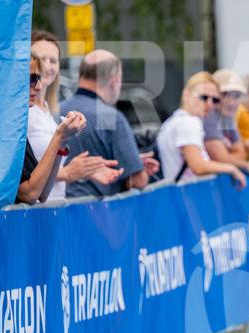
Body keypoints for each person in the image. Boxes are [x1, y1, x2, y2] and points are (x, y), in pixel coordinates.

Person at [30, 31, 122, 200]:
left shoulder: (47, 109)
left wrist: (86, 170)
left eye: (53, 61)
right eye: (42, 59)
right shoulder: (23, 112)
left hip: (52, 206)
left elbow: (46, 167)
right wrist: (67, 172)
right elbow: (24, 180)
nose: (48, 67)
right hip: (35, 209)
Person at [61, 49, 160, 198]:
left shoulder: (55, 110)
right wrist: (137, 169)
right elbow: (138, 181)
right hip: (97, 207)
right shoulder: (110, 117)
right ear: (114, 81)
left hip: (54, 204)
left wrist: (131, 161)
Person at [156, 71, 246, 188]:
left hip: (182, 192)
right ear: (186, 95)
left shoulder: (175, 121)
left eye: (215, 100)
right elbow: (198, 166)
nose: (209, 104)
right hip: (186, 194)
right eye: (203, 97)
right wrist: (232, 169)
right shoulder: (188, 122)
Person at [19, 55, 87, 205]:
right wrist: (59, 138)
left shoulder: (44, 110)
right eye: (31, 79)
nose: (38, 86)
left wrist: (62, 140)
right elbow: (29, 193)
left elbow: (42, 193)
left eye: (54, 60)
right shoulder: (13, 123)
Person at [204, 69, 249, 178]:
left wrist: (232, 159)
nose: (231, 102)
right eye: (226, 95)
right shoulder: (208, 115)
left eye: (236, 96)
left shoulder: (228, 116)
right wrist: (244, 164)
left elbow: (241, 154)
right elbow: (221, 159)